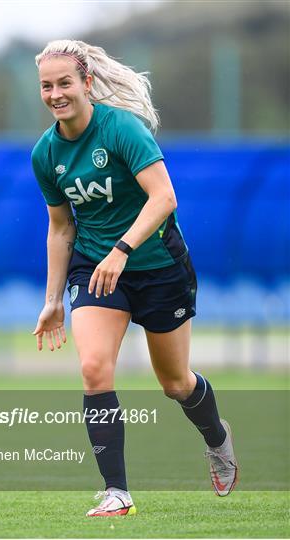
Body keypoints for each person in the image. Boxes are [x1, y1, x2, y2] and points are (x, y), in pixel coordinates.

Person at [31, 39, 238, 517]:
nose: (56, 93)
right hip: (94, 269)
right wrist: (52, 299)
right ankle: (117, 492)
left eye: (65, 83)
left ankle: (217, 436)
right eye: (46, 86)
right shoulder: (46, 153)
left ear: (86, 83)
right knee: (93, 369)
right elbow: (61, 228)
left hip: (157, 267)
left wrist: (123, 250)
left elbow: (164, 197)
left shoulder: (121, 128)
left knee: (175, 384)